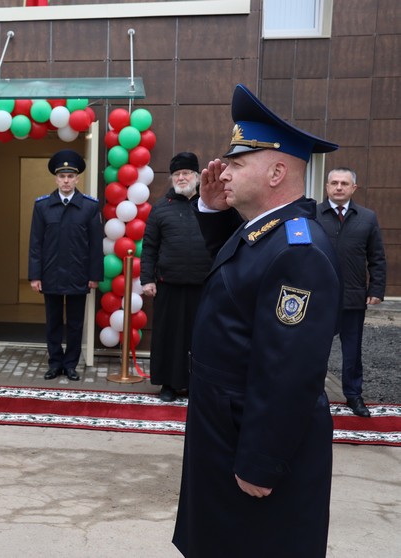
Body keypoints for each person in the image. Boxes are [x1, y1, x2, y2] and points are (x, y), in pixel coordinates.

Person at [172, 84, 342, 557]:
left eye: (238, 163)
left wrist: (262, 461)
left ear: (276, 172)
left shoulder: (298, 250)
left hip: (251, 441)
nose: (222, 171)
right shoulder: (265, 232)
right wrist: (211, 210)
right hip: (226, 427)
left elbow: (289, 370)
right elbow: (236, 272)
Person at [140, 152, 212, 402]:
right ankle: (168, 384)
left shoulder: (211, 206)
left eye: (186, 173)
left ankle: (195, 384)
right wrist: (147, 279)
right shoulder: (160, 208)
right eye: (177, 174)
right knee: (168, 337)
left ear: (197, 176)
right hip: (168, 285)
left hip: (204, 286)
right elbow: (149, 247)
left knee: (200, 338)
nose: (182, 178)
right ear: (172, 178)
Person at [316, 167, 386, 417]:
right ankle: (313, 394)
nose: (338, 187)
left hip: (353, 297)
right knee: (315, 349)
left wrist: (376, 288)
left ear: (353, 188)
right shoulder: (313, 215)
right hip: (319, 298)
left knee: (352, 352)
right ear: (326, 186)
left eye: (344, 183)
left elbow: (376, 257)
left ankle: (354, 396)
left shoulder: (367, 218)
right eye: (334, 183)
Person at [28, 149, 103, 381]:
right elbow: (35, 243)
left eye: (70, 176)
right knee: (53, 323)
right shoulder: (42, 206)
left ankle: (70, 364)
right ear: (56, 179)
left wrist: (94, 275)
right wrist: (35, 276)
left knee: (75, 323)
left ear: (77, 179)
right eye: (62, 176)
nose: (66, 181)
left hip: (78, 274)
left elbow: (95, 245)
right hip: (50, 274)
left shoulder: (89, 206)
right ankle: (54, 363)